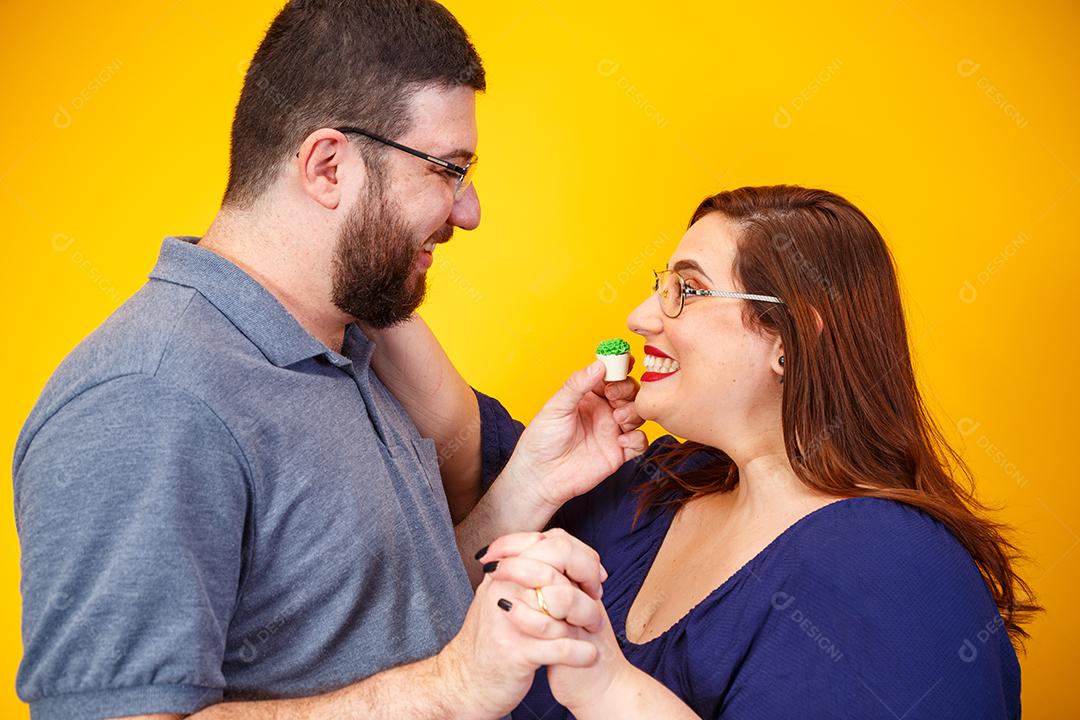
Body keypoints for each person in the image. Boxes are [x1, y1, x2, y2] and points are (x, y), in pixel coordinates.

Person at [12, 2, 645, 718]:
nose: (467, 213)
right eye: (448, 170)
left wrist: (524, 490)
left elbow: (385, 623)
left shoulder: (346, 349)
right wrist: (449, 694)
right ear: (327, 166)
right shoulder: (150, 398)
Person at [378, 185, 1041, 719]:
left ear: (790, 337)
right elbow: (454, 434)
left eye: (687, 292)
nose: (641, 316)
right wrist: (354, 255)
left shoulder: (889, 571)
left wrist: (611, 691)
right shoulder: (663, 483)